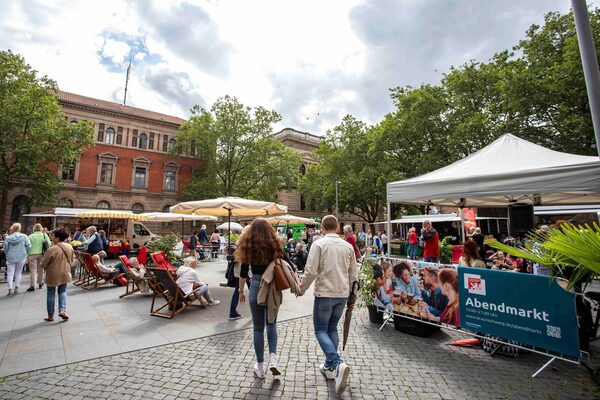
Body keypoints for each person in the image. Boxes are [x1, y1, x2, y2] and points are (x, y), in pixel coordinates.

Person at [299, 215, 358, 395]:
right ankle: (330, 368)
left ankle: (336, 363)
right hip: (342, 294)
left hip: (324, 293)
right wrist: (353, 297)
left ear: (323, 228)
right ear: (338, 227)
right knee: (332, 328)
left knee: (321, 330)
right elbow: (354, 274)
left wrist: (301, 288)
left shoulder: (318, 245)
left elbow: (310, 271)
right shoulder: (348, 246)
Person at [237, 218, 291, 379]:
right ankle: (273, 359)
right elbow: (288, 264)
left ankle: (260, 366)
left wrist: (241, 291)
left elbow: (243, 272)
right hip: (272, 286)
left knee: (258, 328)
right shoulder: (275, 244)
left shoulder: (248, 245)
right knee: (272, 323)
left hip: (255, 287)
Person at [40, 229, 73, 321]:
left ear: (57, 238)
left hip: (53, 273)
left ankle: (50, 315)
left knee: (51, 293)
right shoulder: (69, 246)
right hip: (65, 272)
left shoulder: (52, 249)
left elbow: (43, 263)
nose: (52, 238)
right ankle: (62, 310)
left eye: (53, 236)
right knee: (62, 291)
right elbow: (72, 259)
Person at [4, 223, 32, 296]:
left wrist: (7, 254)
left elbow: (5, 248)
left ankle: (10, 290)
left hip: (10, 256)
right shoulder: (24, 236)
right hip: (21, 256)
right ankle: (16, 288)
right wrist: (26, 253)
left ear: (12, 228)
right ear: (19, 228)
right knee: (18, 272)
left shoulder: (8, 238)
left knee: (10, 273)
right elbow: (29, 246)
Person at [27, 223, 52, 291]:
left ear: (34, 229)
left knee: (33, 270)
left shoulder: (30, 236)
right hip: (42, 254)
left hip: (32, 254)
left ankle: (32, 285)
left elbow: (28, 246)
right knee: (41, 269)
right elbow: (49, 244)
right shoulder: (44, 235)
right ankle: (41, 282)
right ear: (41, 228)